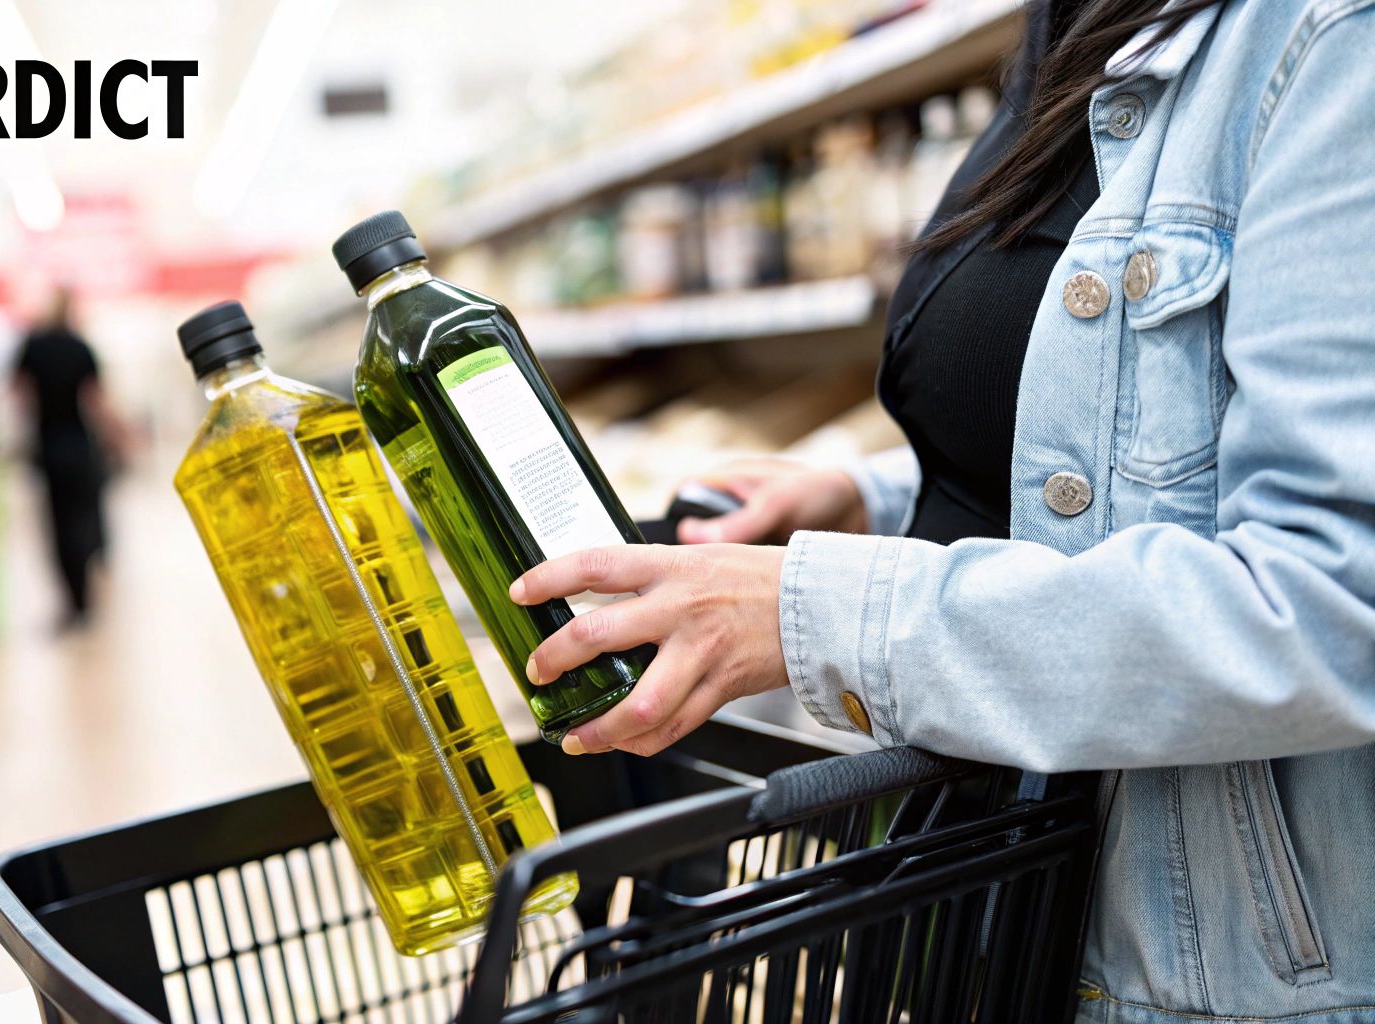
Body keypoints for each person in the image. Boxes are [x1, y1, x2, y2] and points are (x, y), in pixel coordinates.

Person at [509, 0, 1375, 1020]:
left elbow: (1329, 601)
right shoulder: (1076, 24)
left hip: (1198, 967)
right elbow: (1110, 408)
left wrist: (817, 610)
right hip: (982, 893)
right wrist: (874, 494)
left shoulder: (1327, 38)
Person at [11, 290, 126, 629]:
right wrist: (119, 437)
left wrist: (32, 424)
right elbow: (96, 401)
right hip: (80, 445)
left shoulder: (32, 345)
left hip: (48, 446)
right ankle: (90, 589)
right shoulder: (80, 347)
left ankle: (74, 604)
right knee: (86, 517)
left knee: (58, 527)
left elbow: (20, 392)